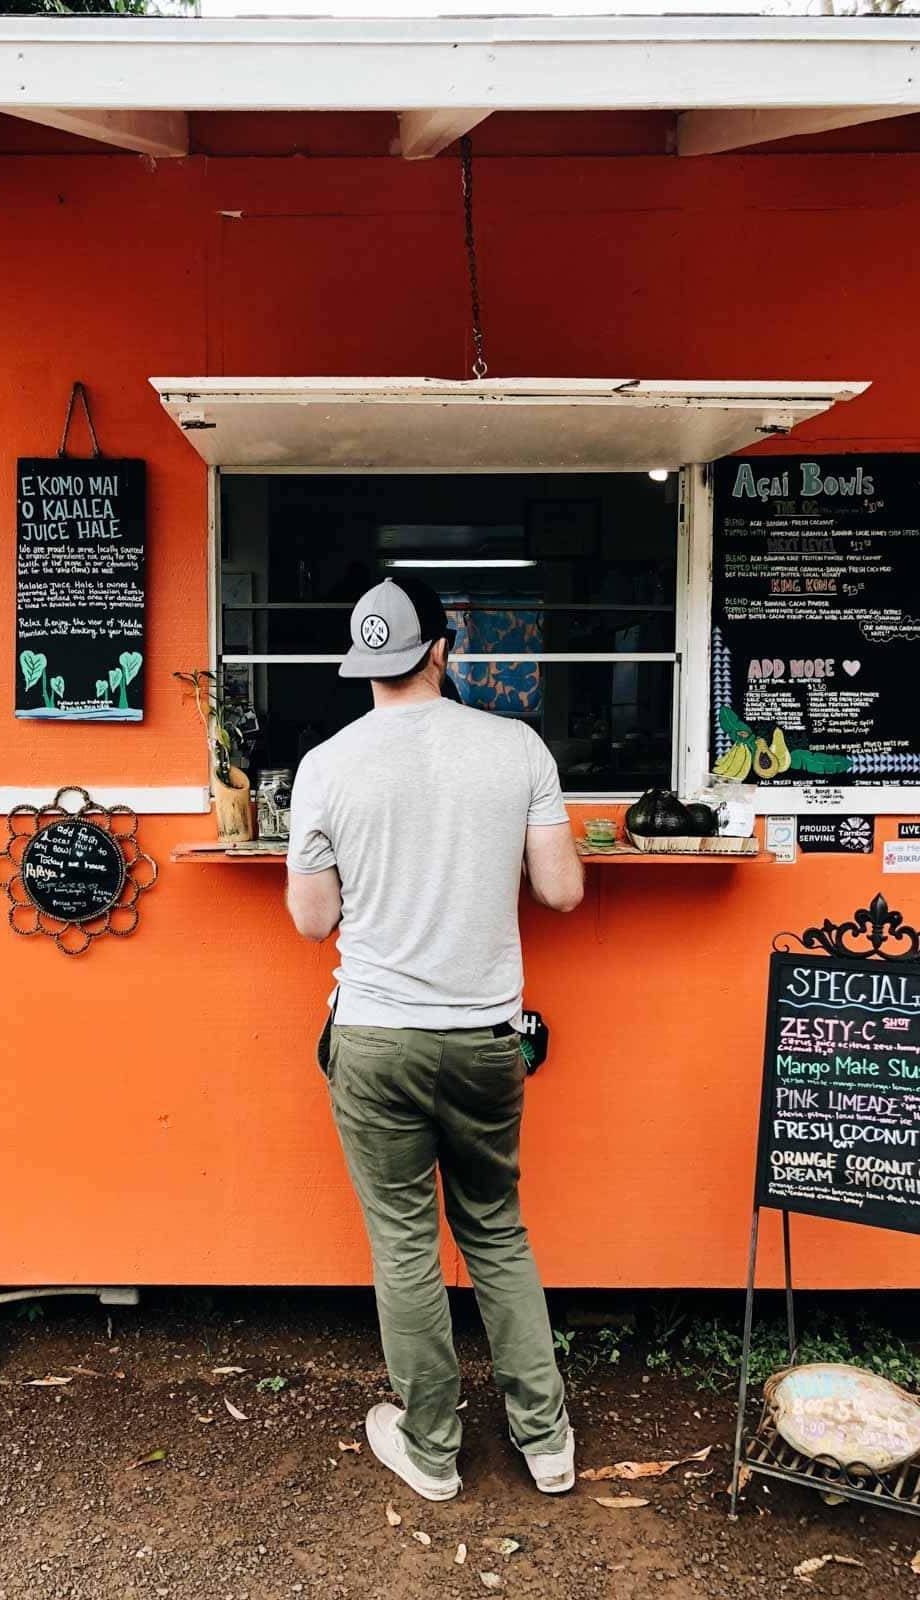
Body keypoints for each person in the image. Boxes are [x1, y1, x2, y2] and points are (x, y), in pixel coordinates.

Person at [285, 574, 584, 1503]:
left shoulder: (326, 764)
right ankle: (547, 1444)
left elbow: (310, 920)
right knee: (497, 1231)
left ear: (363, 665)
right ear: (441, 652)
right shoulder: (516, 746)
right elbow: (563, 891)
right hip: (488, 1036)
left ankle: (434, 1450)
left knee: (405, 1246)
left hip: (375, 1038)